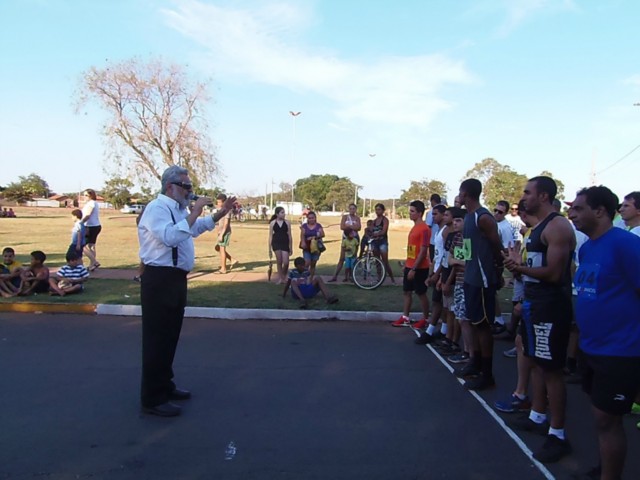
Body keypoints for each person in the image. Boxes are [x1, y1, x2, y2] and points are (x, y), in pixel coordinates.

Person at [137, 165, 236, 417]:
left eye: (190, 187)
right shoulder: (156, 209)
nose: (190, 192)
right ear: (170, 186)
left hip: (175, 279)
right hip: (159, 279)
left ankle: (165, 384)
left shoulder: (177, 209)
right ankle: (152, 398)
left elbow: (193, 228)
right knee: (157, 339)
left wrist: (218, 214)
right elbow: (170, 237)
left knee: (170, 336)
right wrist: (194, 211)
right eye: (186, 187)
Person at [567, 186, 640, 480]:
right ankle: (605, 470)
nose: (572, 214)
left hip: (621, 349)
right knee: (600, 418)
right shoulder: (586, 248)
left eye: (579, 209)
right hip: (592, 346)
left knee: (607, 420)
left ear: (600, 212)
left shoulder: (625, 245)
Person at [504, 176, 576, 463]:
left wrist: (521, 268)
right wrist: (517, 267)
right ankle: (537, 415)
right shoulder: (537, 229)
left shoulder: (557, 226)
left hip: (550, 307)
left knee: (551, 370)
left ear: (543, 196)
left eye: (528, 192)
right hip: (535, 304)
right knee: (534, 360)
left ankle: (557, 434)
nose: (524, 197)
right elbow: (535, 268)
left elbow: (555, 273)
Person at [456, 178, 504, 391]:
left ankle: (487, 374)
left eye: (460, 193)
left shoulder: (484, 218)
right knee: (474, 323)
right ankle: (475, 362)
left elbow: (497, 247)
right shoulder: (467, 217)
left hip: (483, 280)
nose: (459, 197)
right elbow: (467, 250)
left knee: (483, 326)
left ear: (466, 194)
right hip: (471, 278)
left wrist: (498, 272)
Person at [391, 201, 431, 327]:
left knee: (420, 292)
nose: (410, 213)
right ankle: (405, 317)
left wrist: (414, 268)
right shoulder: (414, 227)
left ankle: (425, 319)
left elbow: (423, 250)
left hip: (420, 267)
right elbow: (413, 249)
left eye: (412, 211)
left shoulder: (424, 229)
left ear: (419, 213)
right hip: (410, 265)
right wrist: (407, 265)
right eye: (410, 211)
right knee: (407, 291)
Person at [329, 203, 361, 282]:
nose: (352, 210)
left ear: (356, 210)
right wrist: (352, 227)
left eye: (354, 208)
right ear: (349, 209)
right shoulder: (345, 217)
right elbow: (342, 227)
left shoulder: (357, 218)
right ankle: (335, 276)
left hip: (355, 239)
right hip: (345, 239)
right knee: (342, 258)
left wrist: (349, 226)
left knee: (352, 257)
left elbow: (359, 227)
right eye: (351, 208)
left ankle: (350, 276)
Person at [371, 203, 395, 283]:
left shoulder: (385, 220)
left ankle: (392, 278)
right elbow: (371, 230)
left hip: (382, 242)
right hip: (375, 242)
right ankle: (379, 277)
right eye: (376, 210)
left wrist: (375, 234)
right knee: (377, 260)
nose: (377, 211)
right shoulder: (374, 221)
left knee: (385, 261)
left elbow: (384, 231)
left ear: (383, 210)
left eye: (379, 209)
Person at [268, 206, 293, 284]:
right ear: (277, 214)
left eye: (284, 212)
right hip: (276, 243)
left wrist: (291, 247)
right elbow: (270, 236)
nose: (284, 214)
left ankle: (284, 275)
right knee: (279, 261)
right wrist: (269, 249)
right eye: (282, 212)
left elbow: (290, 235)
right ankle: (281, 278)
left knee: (286, 262)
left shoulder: (287, 222)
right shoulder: (272, 223)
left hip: (285, 243)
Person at [81, 189, 101, 271]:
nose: (84, 197)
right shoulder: (93, 203)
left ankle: (94, 261)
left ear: (91, 195)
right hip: (95, 226)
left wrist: (80, 223)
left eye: (86, 195)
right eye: (84, 195)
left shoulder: (91, 203)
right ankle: (92, 265)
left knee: (82, 246)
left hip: (90, 227)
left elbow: (88, 215)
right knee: (91, 246)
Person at [299, 211, 324, 278]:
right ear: (307, 219)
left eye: (312, 218)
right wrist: (303, 242)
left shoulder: (318, 226)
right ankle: (303, 277)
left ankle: (311, 278)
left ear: (315, 218)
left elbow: (322, 234)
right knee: (307, 262)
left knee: (313, 263)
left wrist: (315, 237)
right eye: (309, 218)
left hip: (316, 247)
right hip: (307, 246)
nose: (311, 219)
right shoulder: (304, 226)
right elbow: (302, 235)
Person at [215, 193, 236, 274]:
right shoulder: (221, 210)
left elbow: (226, 224)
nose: (218, 204)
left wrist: (222, 234)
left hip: (225, 232)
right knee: (217, 248)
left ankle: (223, 268)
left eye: (219, 202)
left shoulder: (227, 210)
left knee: (222, 249)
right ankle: (232, 259)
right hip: (220, 232)